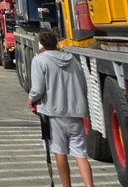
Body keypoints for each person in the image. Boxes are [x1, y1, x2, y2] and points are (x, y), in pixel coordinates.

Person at [28, 29, 94, 187]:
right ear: (56, 43)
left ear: (41, 44)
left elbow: (37, 89)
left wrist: (30, 100)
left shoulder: (40, 60)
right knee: (80, 155)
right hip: (75, 113)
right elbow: (83, 85)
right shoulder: (72, 60)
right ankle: (89, 185)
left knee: (60, 152)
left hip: (54, 114)